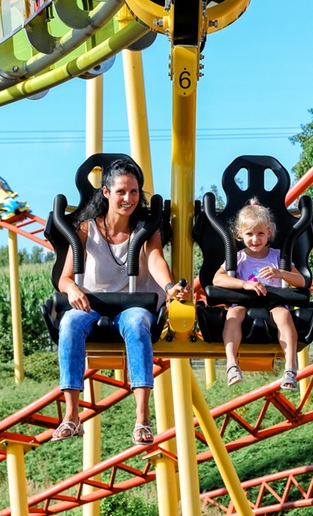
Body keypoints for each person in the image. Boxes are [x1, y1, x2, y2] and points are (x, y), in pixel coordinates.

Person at [53, 158, 188, 446]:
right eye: (121, 192)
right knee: (69, 322)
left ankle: (142, 418)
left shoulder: (145, 229)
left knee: (138, 321)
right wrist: (73, 291)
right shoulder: (86, 230)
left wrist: (168, 286)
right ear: (106, 193)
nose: (128, 199)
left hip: (132, 304)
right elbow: (64, 278)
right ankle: (72, 415)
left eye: (134, 192)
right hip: (93, 304)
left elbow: (155, 259)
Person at [212, 199, 306, 390]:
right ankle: (231, 364)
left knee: (284, 315)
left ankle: (290, 368)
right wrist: (244, 284)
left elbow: (301, 281)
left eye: (260, 234)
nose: (255, 239)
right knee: (232, 315)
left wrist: (280, 273)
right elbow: (217, 280)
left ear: (269, 233)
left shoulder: (278, 256)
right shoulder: (238, 257)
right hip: (244, 303)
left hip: (273, 303)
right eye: (250, 234)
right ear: (240, 235)